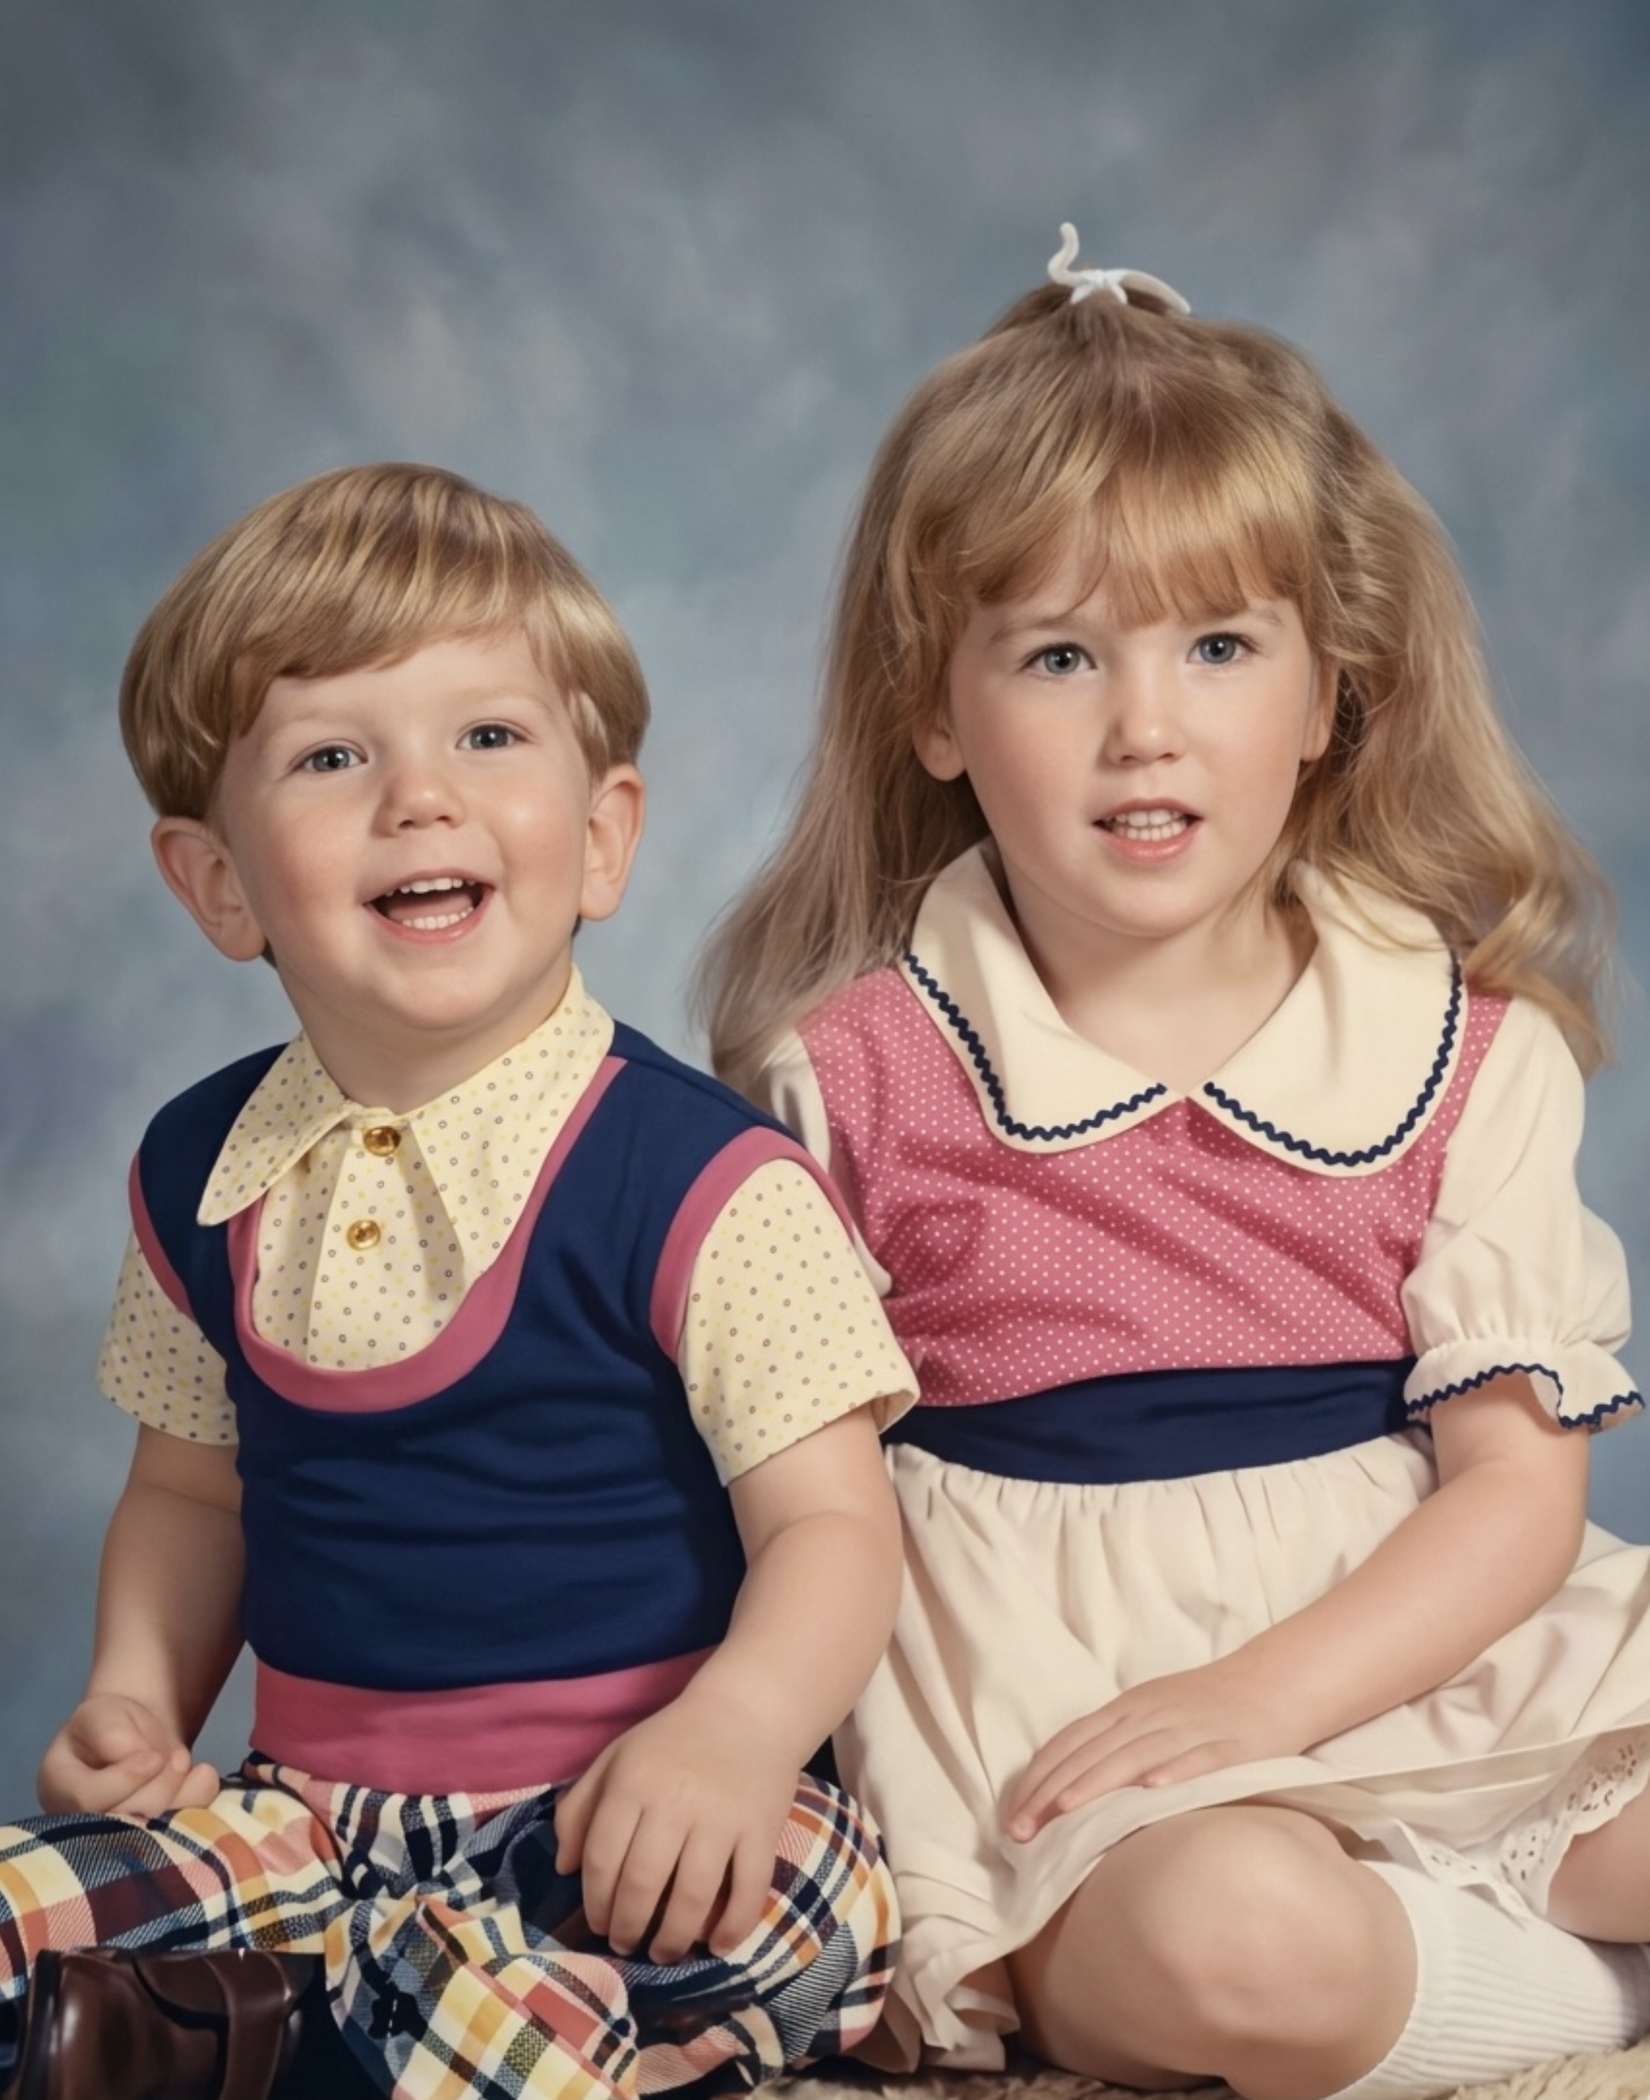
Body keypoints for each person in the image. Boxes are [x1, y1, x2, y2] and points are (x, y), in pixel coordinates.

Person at [696, 226, 1650, 2100]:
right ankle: (1586, 2005)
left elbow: (1513, 1495)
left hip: (1421, 1645)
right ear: (932, 710)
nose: (1145, 727)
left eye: (1218, 646)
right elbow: (785, 1502)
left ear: (1328, 693)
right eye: (1060, 655)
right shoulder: (848, 1079)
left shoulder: (1463, 1050)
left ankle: (1478, 1939)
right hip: (1058, 1720)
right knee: (1233, 1945)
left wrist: (1259, 1700)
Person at [0, 463, 914, 2100]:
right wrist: (134, 1701)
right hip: (304, 1821)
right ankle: (375, 2025)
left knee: (792, 1899)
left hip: (621, 1827)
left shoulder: (701, 1181)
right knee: (18, 1915)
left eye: (486, 736)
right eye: (331, 756)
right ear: (218, 883)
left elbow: (835, 1531)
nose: (418, 798)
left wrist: (732, 1733)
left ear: (603, 835)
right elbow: (191, 1495)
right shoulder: (200, 1170)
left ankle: (288, 2034)